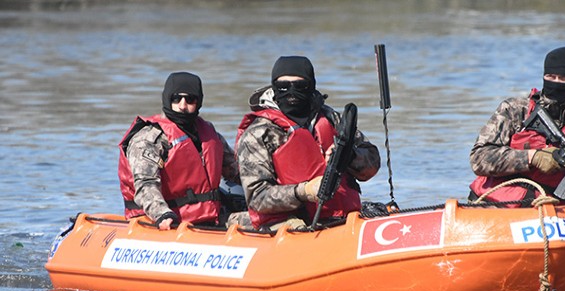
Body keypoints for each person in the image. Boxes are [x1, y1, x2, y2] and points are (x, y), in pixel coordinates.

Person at [231, 56, 380, 230]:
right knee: (296, 225)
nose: (291, 93)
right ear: (274, 87)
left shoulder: (332, 119)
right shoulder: (258, 133)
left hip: (339, 218)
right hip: (286, 223)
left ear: (311, 85)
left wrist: (350, 157)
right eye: (283, 87)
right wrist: (305, 191)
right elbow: (257, 198)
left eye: (300, 86)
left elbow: (372, 163)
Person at [468, 46, 565, 205]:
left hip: (553, 211)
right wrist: (532, 157)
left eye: (564, 78)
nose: (556, 83)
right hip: (492, 206)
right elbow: (479, 159)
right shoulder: (515, 111)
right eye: (550, 76)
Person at [118, 71, 240, 230]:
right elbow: (145, 184)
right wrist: (161, 213)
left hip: (208, 218)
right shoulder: (149, 138)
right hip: (166, 220)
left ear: (199, 102)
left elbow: (237, 171)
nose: (182, 106)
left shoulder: (209, 135)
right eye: (176, 99)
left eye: (190, 100)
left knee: (262, 221)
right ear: (167, 99)